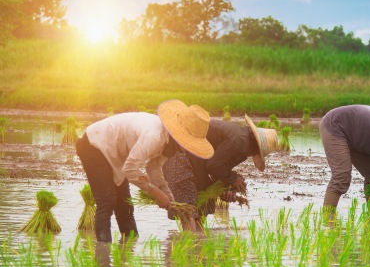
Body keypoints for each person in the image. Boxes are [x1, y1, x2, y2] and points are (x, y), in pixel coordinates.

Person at [75, 99, 214, 243]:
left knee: (126, 205)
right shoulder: (154, 135)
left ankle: (127, 252)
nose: (186, 148)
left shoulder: (170, 143)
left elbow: (153, 167)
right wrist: (156, 193)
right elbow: (130, 169)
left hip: (116, 154)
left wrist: (167, 194)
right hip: (94, 145)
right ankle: (103, 255)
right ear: (178, 135)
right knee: (107, 200)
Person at [162, 114, 278, 229]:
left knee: (201, 209)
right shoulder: (240, 141)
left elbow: (217, 169)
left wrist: (226, 189)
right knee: (188, 212)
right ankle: (189, 244)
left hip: (196, 164)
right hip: (180, 156)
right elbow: (214, 166)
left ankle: (197, 244)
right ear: (256, 148)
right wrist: (233, 179)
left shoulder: (241, 141)